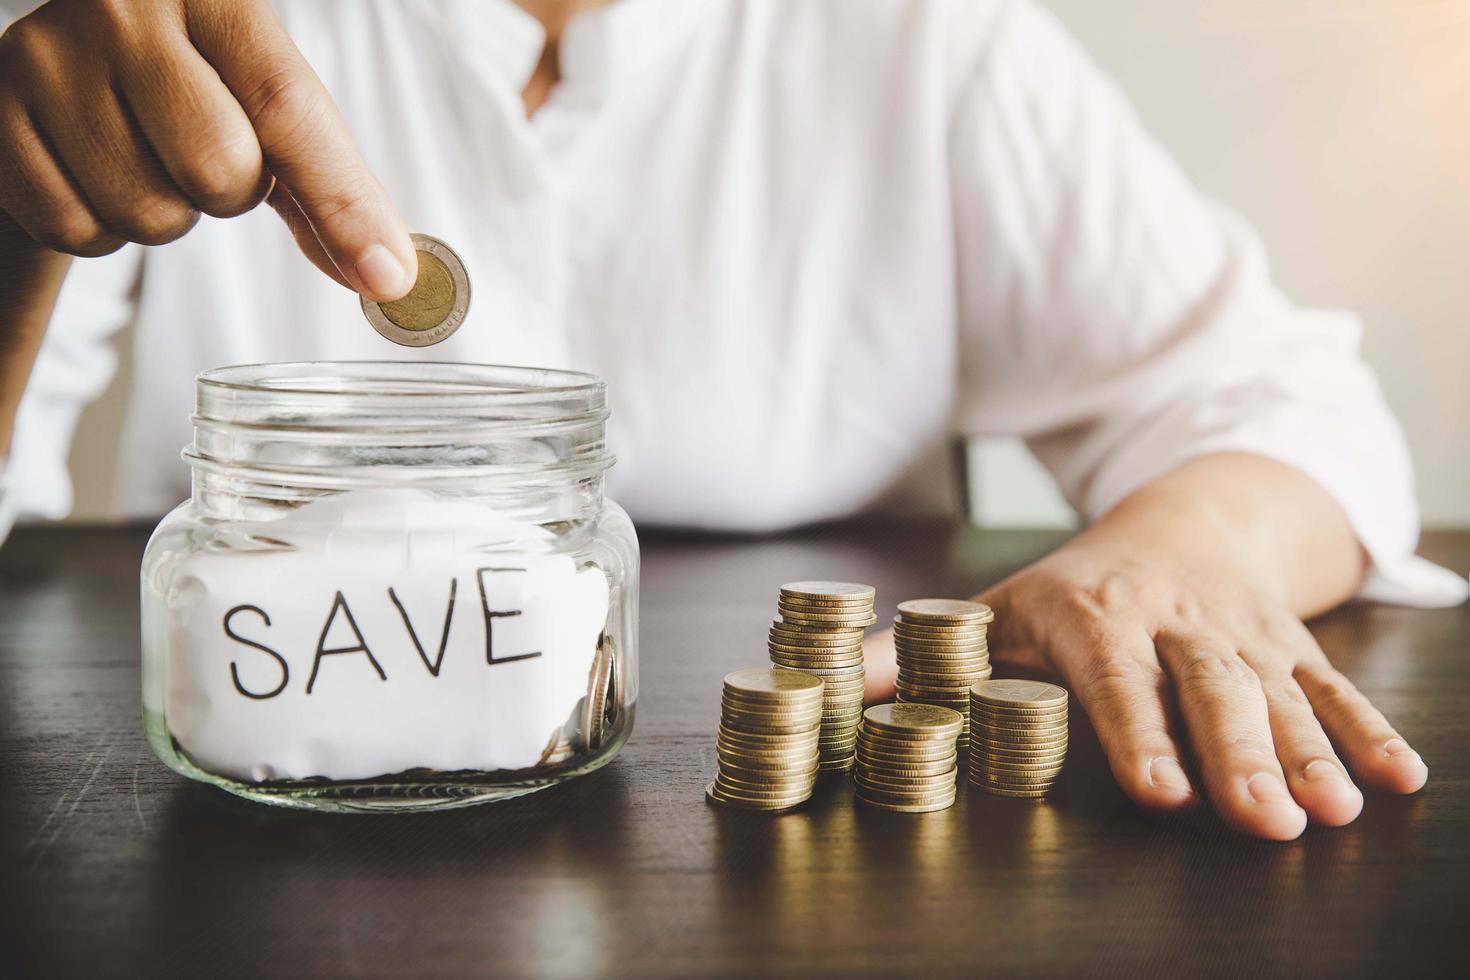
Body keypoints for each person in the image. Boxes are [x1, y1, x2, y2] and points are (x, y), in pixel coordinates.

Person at [0, 0, 1463, 841]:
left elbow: (1288, 403)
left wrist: (1184, 543)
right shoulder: (159, 22)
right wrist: (14, 227)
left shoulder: (929, 38)